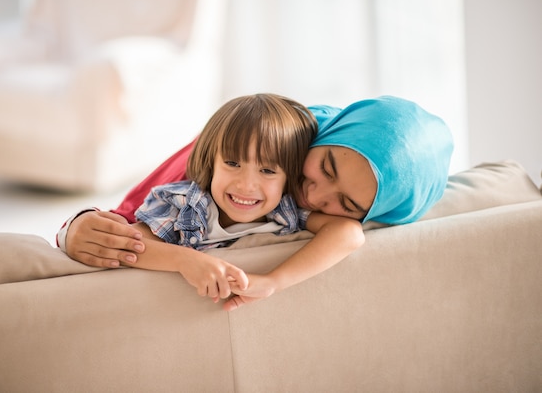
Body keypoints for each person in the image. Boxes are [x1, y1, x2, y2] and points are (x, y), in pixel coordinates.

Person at [58, 95, 454, 310]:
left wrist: (274, 283)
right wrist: (76, 227)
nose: (313, 196)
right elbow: (124, 226)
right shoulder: (260, 142)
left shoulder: (288, 208)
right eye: (326, 167)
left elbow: (347, 234)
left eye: (346, 203)